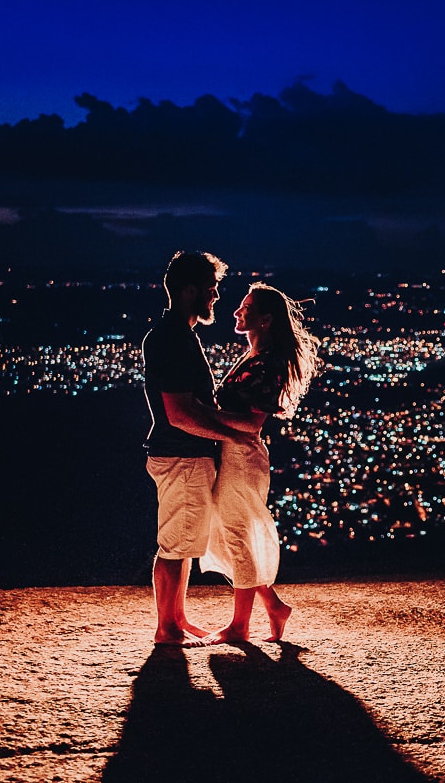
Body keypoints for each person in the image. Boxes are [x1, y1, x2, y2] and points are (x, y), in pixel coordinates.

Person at [183, 282, 320, 643]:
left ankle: (240, 626)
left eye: (245, 307)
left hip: (241, 456)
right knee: (231, 535)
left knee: (236, 534)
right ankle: (273, 606)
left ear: (265, 319)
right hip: (235, 453)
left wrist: (200, 415)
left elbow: (252, 423)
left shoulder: (267, 363)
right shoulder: (255, 357)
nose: (236, 311)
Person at [141, 252, 261, 647]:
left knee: (184, 542)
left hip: (183, 455)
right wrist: (234, 435)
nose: (216, 298)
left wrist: (232, 426)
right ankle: (167, 628)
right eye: (211, 290)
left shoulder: (177, 334)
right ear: (190, 290)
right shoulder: (172, 337)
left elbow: (195, 407)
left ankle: (176, 618)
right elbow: (179, 413)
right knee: (175, 545)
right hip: (182, 456)